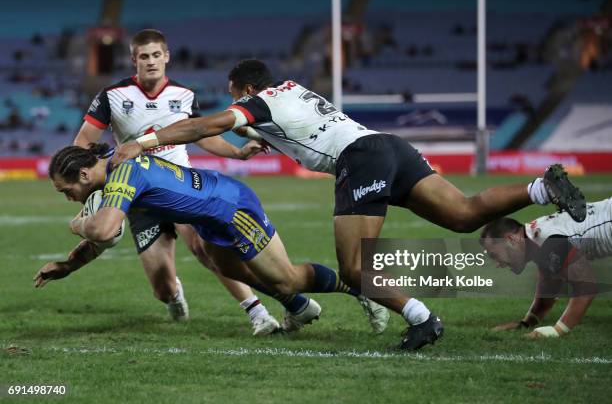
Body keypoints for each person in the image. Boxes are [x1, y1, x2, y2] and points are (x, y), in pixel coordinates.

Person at [110, 59, 587, 350]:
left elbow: (205, 126)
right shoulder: (291, 90)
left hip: (359, 160)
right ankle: (542, 188)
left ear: (245, 90)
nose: (235, 104)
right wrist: (252, 136)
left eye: (236, 96)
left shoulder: (260, 101)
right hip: (389, 146)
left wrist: (146, 140)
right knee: (463, 213)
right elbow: (272, 125)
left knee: (356, 268)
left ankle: (424, 320)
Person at [34, 144, 388, 336]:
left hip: (232, 208)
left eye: (67, 192)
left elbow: (103, 230)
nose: (70, 199)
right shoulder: (113, 167)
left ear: (83, 174)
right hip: (208, 214)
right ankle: (298, 308)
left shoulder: (123, 173)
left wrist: (78, 225)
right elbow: (105, 233)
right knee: (231, 269)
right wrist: (68, 265)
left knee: (285, 277)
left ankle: (361, 289)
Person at [74, 29, 278, 334]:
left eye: (157, 55)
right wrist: (96, 182)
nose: (152, 62)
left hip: (182, 184)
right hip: (138, 194)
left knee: (205, 248)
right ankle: (174, 294)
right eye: (144, 56)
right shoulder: (112, 96)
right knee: (162, 287)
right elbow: (83, 143)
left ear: (167, 56)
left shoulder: (184, 95)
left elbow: (203, 136)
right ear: (134, 60)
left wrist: (238, 153)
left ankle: (257, 312)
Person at [480, 197, 612, 338]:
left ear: (511, 239)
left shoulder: (546, 239)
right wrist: (526, 323)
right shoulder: (537, 240)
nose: (498, 264)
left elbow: (586, 288)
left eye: (494, 255)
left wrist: (558, 330)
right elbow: (549, 286)